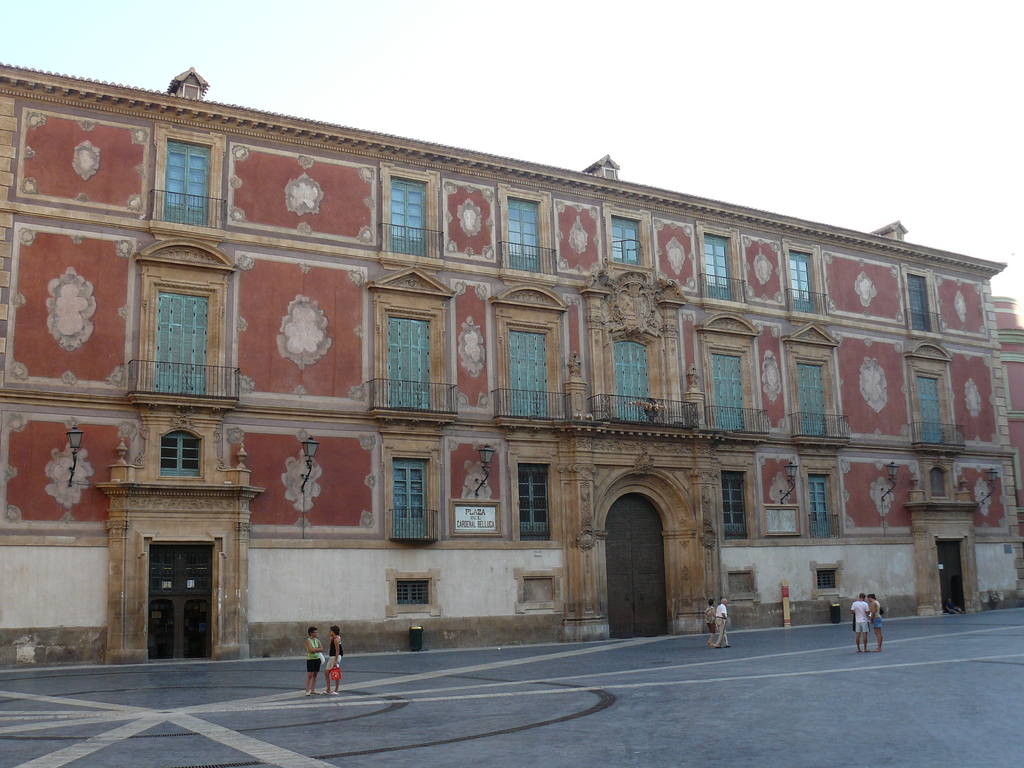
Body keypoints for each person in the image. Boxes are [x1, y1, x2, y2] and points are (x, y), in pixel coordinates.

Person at [322, 625, 342, 695]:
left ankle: (336, 690)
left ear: (333, 632)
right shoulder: (333, 639)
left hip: (335, 656)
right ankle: (328, 689)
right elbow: (330, 647)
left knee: (335, 673)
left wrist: (335, 661)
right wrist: (330, 640)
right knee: (326, 672)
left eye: (330, 631)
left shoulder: (337, 639)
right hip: (331, 656)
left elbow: (337, 651)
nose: (329, 632)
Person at [304, 626, 322, 696]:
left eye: (316, 632)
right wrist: (316, 649)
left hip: (317, 658)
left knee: (315, 675)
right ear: (311, 633)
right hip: (311, 659)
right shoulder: (308, 641)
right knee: (310, 675)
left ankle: (313, 689)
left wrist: (315, 649)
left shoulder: (317, 640)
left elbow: (321, 649)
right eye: (314, 632)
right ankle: (307, 690)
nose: (316, 634)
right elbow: (310, 650)